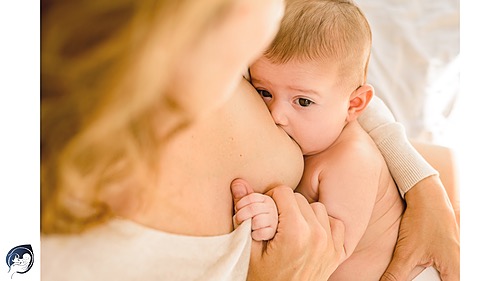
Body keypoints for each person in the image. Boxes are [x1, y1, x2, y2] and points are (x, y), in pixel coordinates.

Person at [40, 0, 458, 280]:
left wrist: (421, 182)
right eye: (265, 94)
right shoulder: (67, 254)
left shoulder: (230, 48)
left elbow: (336, 80)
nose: (277, 114)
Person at [233, 0, 443, 280]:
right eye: (264, 92)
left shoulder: (352, 160)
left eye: (303, 101)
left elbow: (329, 247)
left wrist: (273, 217)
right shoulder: (312, 136)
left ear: (354, 105)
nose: (276, 115)